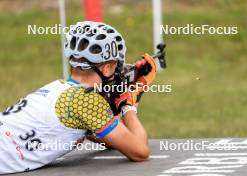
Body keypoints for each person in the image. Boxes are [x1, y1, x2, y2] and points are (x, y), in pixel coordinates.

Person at [0, 21, 157, 174]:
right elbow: (140, 151)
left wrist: (118, 106)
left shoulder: (56, 87)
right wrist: (128, 105)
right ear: (107, 68)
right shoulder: (87, 101)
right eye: (117, 65)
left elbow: (112, 140)